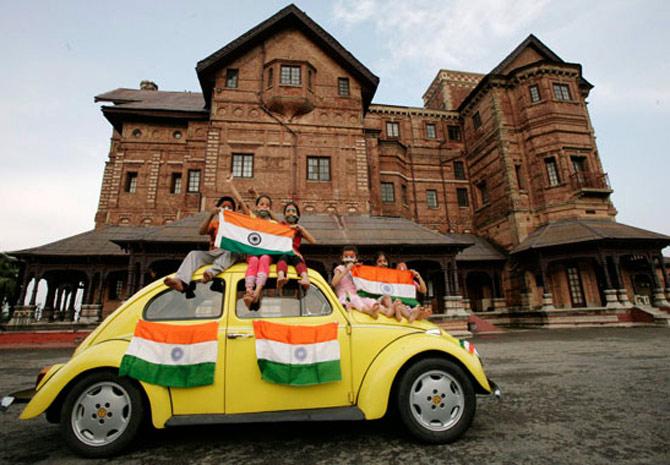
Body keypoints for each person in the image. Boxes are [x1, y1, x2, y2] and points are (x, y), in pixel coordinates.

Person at [163, 195, 238, 293]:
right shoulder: (216, 223)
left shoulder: (237, 224)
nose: (227, 209)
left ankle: (210, 273)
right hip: (214, 253)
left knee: (231, 251)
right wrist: (211, 215)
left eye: (230, 207)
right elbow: (201, 231)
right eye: (224, 206)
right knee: (194, 254)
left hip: (229, 253)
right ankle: (180, 281)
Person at [225, 175, 275, 309]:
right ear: (257, 207)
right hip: (252, 253)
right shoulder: (252, 218)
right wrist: (231, 185)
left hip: (266, 254)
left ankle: (257, 290)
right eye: (261, 205)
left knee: (264, 259)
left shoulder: (273, 223)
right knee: (253, 261)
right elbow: (240, 202)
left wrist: (258, 197)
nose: (264, 207)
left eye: (267, 205)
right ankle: (249, 290)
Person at [374, 251, 431, 323]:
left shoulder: (409, 281)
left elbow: (424, 290)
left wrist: (418, 277)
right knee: (396, 303)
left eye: (404, 272)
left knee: (420, 309)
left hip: (406, 305)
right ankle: (409, 315)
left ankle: (416, 314)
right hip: (393, 304)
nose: (402, 274)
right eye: (380, 261)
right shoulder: (392, 278)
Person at [276, 201, 317, 291]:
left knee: (298, 260)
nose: (291, 213)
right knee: (283, 257)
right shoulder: (281, 226)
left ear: (297, 215)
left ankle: (305, 278)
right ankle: (281, 276)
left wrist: (302, 229)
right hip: (283, 252)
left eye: (293, 211)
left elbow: (313, 241)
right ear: (284, 215)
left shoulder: (298, 230)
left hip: (294, 255)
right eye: (288, 211)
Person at [331, 246, 380, 318]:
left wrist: (358, 270)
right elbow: (333, 283)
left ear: (356, 259)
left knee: (369, 300)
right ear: (342, 258)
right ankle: (369, 312)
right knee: (355, 299)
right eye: (346, 256)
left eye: (351, 257)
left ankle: (381, 309)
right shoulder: (340, 268)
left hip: (356, 295)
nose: (349, 258)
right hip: (345, 297)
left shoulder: (354, 270)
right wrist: (347, 269)